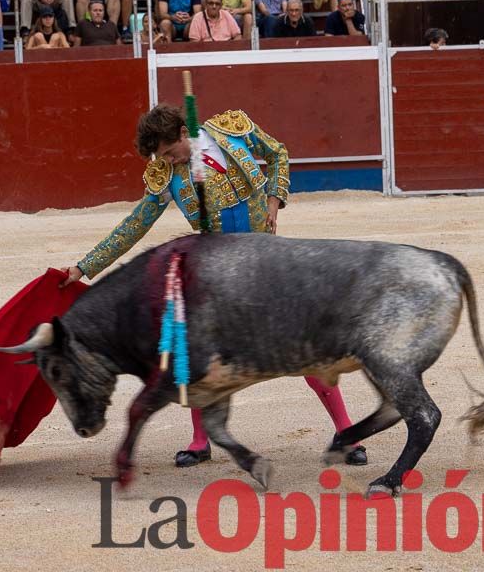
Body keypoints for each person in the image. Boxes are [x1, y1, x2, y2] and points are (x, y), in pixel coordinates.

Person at [60, 104, 367, 468]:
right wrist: (85, 267)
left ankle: (346, 431)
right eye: (163, 158)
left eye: (171, 153)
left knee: (305, 345)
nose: (170, 162)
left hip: (266, 264)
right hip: (216, 277)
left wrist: (273, 201)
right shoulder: (166, 173)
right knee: (191, 349)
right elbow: (134, 225)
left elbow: (277, 152)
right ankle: (199, 439)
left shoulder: (231, 131)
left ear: (180, 133)